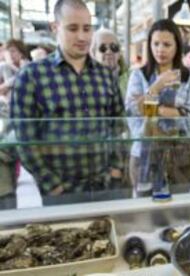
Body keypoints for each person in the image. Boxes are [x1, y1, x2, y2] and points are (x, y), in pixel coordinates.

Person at [10, 0, 125, 205]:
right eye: (72, 28)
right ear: (55, 28)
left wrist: (116, 170)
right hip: (60, 192)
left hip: (105, 186)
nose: (82, 36)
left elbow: (117, 125)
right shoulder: (31, 76)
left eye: (87, 28)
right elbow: (25, 141)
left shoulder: (106, 75)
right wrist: (53, 186)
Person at [125, 19, 190, 195]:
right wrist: (156, 87)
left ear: (177, 46)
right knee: (144, 214)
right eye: (156, 43)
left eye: (167, 44)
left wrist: (152, 108)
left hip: (180, 157)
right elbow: (131, 112)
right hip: (143, 156)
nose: (160, 49)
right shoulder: (138, 75)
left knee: (177, 213)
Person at [90, 28, 129, 96]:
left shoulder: (132, 79)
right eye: (103, 48)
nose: (109, 52)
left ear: (119, 53)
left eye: (114, 47)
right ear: (93, 54)